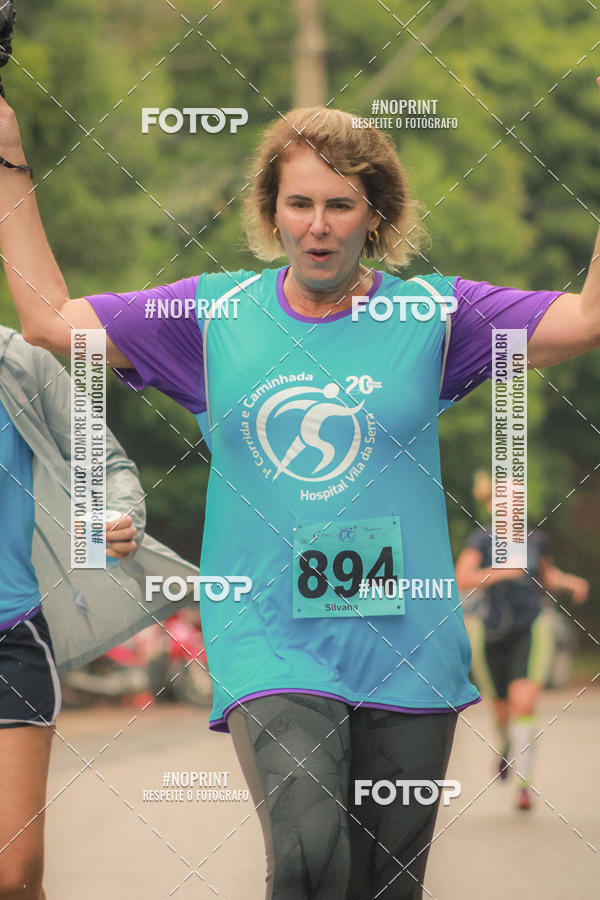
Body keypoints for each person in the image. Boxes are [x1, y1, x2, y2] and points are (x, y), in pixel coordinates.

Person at [1, 95, 600, 900]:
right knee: (309, 859)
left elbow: (590, 318)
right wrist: (7, 150)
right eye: (301, 204)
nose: (319, 225)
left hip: (407, 643)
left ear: (375, 216)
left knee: (385, 886)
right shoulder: (208, 316)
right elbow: (45, 320)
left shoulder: (436, 315)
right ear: (272, 214)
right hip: (271, 636)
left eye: (341, 205)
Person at [0, 324, 199, 898]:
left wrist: (114, 514)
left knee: (13, 875)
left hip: (11, 633)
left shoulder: (17, 362)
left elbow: (102, 461)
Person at [455, 472, 589, 811]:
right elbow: (461, 579)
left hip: (531, 628)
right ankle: (505, 742)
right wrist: (501, 572)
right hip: (491, 632)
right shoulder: (481, 540)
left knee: (524, 703)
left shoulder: (535, 539)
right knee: (502, 713)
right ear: (494, 504)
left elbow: (546, 575)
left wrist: (570, 582)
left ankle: (525, 786)